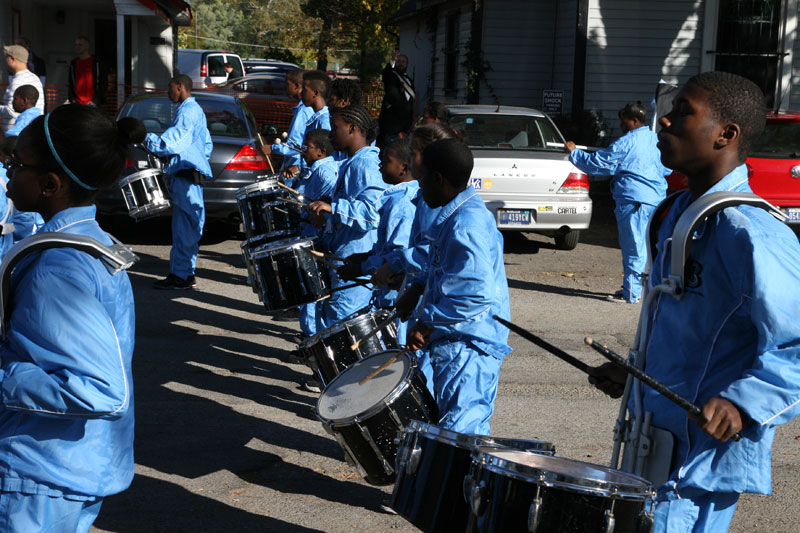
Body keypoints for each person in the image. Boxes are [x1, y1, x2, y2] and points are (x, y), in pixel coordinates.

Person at [588, 71, 800, 532]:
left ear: (726, 134)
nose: (664, 122)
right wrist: (634, 371)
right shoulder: (675, 212)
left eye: (684, 113)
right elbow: (690, 333)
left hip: (696, 467)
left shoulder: (751, 233)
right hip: (650, 446)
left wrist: (743, 404)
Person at [0, 104, 142, 532]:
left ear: (50, 183)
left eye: (16, 163)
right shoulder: (90, 241)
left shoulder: (56, 269)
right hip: (67, 469)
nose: (7, 172)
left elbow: (101, 391)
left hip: (39, 475)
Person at [398, 138, 511, 436]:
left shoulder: (466, 225)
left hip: (470, 345)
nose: (418, 187)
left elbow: (475, 292)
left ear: (437, 179)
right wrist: (418, 286)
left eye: (421, 179)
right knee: (452, 429)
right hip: (457, 342)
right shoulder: (455, 215)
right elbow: (448, 271)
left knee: (460, 436)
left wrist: (427, 323)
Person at [566, 102, 670, 303]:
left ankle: (631, 293)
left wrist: (574, 152)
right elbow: (668, 169)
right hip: (655, 201)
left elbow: (599, 163)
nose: (621, 125)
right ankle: (650, 290)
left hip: (634, 201)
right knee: (651, 247)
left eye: (624, 121)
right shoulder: (656, 140)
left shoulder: (626, 143)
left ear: (634, 121)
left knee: (634, 247)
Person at [308, 105, 386, 332]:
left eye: (336, 128)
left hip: (355, 255)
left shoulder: (366, 164)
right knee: (334, 323)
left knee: (345, 328)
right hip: (342, 254)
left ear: (352, 129)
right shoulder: (351, 162)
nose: (331, 133)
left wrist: (334, 207)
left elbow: (373, 214)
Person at [338, 138, 417, 342]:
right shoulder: (396, 198)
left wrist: (362, 268)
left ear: (404, 167)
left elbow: (398, 258)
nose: (380, 165)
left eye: (386, 160)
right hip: (388, 294)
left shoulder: (402, 203)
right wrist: (366, 256)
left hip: (397, 297)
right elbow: (387, 247)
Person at [146, 74, 213, 290]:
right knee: (191, 226)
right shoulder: (196, 110)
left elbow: (173, 141)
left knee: (185, 227)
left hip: (186, 176)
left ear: (180, 86)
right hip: (190, 175)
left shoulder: (188, 111)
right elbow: (207, 144)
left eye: (170, 87)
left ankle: (180, 276)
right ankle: (186, 273)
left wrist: (146, 138)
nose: (168, 92)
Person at [295, 128, 339, 340]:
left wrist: (321, 215)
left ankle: (312, 336)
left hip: (316, 235)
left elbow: (330, 197)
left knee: (312, 287)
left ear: (321, 151)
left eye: (307, 147)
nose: (303, 151)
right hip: (310, 231)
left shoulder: (325, 171)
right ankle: (311, 333)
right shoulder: (315, 168)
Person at [262, 69, 311, 178]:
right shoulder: (302, 109)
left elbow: (295, 146)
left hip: (296, 169)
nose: (285, 88)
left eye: (287, 84)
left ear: (297, 86)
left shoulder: (303, 111)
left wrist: (272, 148)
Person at [2, 45, 44, 132]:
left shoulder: (18, 81)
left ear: (12, 59)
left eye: (6, 57)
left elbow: (11, 111)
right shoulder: (34, 77)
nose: (5, 61)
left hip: (16, 136)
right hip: (31, 131)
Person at [378, 49, 415, 148]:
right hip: (391, 127)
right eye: (399, 61)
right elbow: (386, 74)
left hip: (405, 128)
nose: (401, 63)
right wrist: (392, 61)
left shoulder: (410, 81)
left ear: (407, 64)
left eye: (403, 62)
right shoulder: (391, 76)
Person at [68, 36, 107, 107]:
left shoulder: (97, 63)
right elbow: (71, 83)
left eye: (80, 45)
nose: (77, 47)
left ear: (87, 46)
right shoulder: (73, 63)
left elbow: (103, 83)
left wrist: (95, 100)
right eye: (76, 45)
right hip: (77, 103)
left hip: (93, 103)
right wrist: (72, 99)